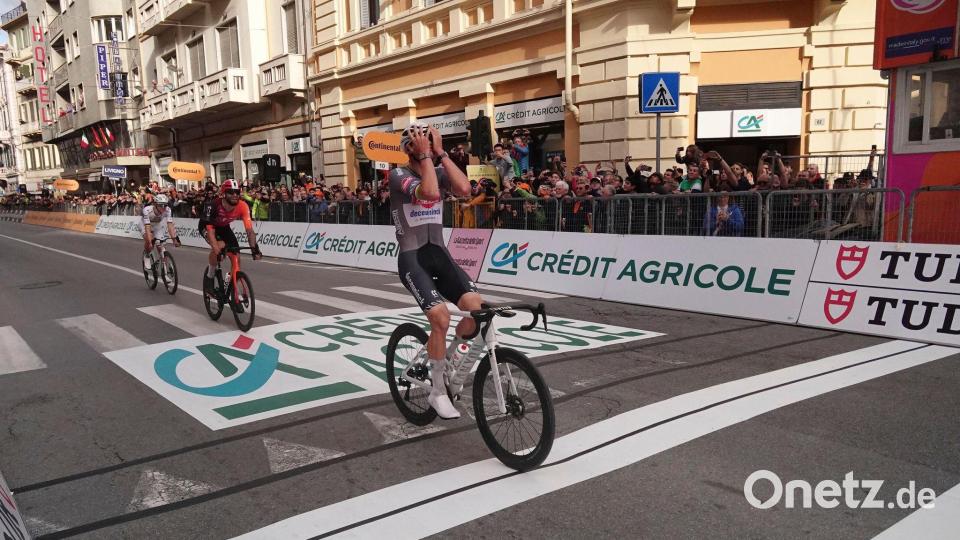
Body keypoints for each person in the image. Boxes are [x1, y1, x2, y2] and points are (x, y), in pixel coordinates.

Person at [390, 123, 481, 419]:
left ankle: (445, 358)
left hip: (439, 254)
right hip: (413, 259)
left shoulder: (437, 167)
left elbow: (465, 189)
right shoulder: (397, 175)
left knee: (476, 311)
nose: (427, 146)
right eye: (423, 144)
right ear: (411, 149)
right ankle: (437, 391)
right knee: (440, 317)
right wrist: (427, 156)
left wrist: (440, 153)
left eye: (429, 142)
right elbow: (428, 193)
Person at [199, 179, 262, 294]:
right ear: (223, 194)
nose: (234, 195)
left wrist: (255, 248)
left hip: (223, 227)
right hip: (208, 226)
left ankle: (233, 291)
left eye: (237, 192)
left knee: (236, 256)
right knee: (220, 248)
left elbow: (249, 230)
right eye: (231, 192)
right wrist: (217, 251)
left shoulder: (243, 206)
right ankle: (210, 276)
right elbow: (211, 232)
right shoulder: (213, 206)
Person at [141, 194, 181, 270]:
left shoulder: (168, 210)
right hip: (144, 225)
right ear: (155, 204)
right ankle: (147, 255)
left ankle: (165, 271)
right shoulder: (147, 210)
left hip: (156, 226)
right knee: (150, 242)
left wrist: (174, 239)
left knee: (161, 247)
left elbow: (170, 225)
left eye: (165, 205)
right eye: (161, 205)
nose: (163, 208)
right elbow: (147, 227)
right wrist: (150, 240)